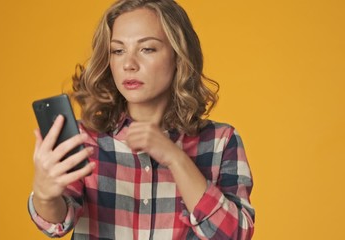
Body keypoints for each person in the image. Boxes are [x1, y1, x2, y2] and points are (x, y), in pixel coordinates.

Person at [28, 0, 255, 239]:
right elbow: (56, 223)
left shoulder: (221, 141)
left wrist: (175, 158)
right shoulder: (85, 139)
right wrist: (45, 195)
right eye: (118, 50)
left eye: (147, 49)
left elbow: (235, 234)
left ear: (179, 55)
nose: (129, 64)